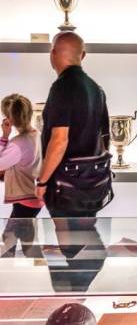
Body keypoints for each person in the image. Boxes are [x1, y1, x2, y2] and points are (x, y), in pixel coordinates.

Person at [35, 32, 110, 217]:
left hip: (65, 185)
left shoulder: (61, 87)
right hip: (93, 183)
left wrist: (42, 182)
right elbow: (105, 139)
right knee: (86, 240)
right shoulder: (96, 89)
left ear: (52, 54)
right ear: (83, 55)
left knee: (70, 244)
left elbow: (59, 141)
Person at [0, 94, 43, 257]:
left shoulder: (18, 144)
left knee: (8, 241)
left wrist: (4, 137)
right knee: (27, 241)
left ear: (9, 118)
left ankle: (5, 276)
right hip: (32, 198)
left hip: (25, 200)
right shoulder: (36, 135)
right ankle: (40, 273)